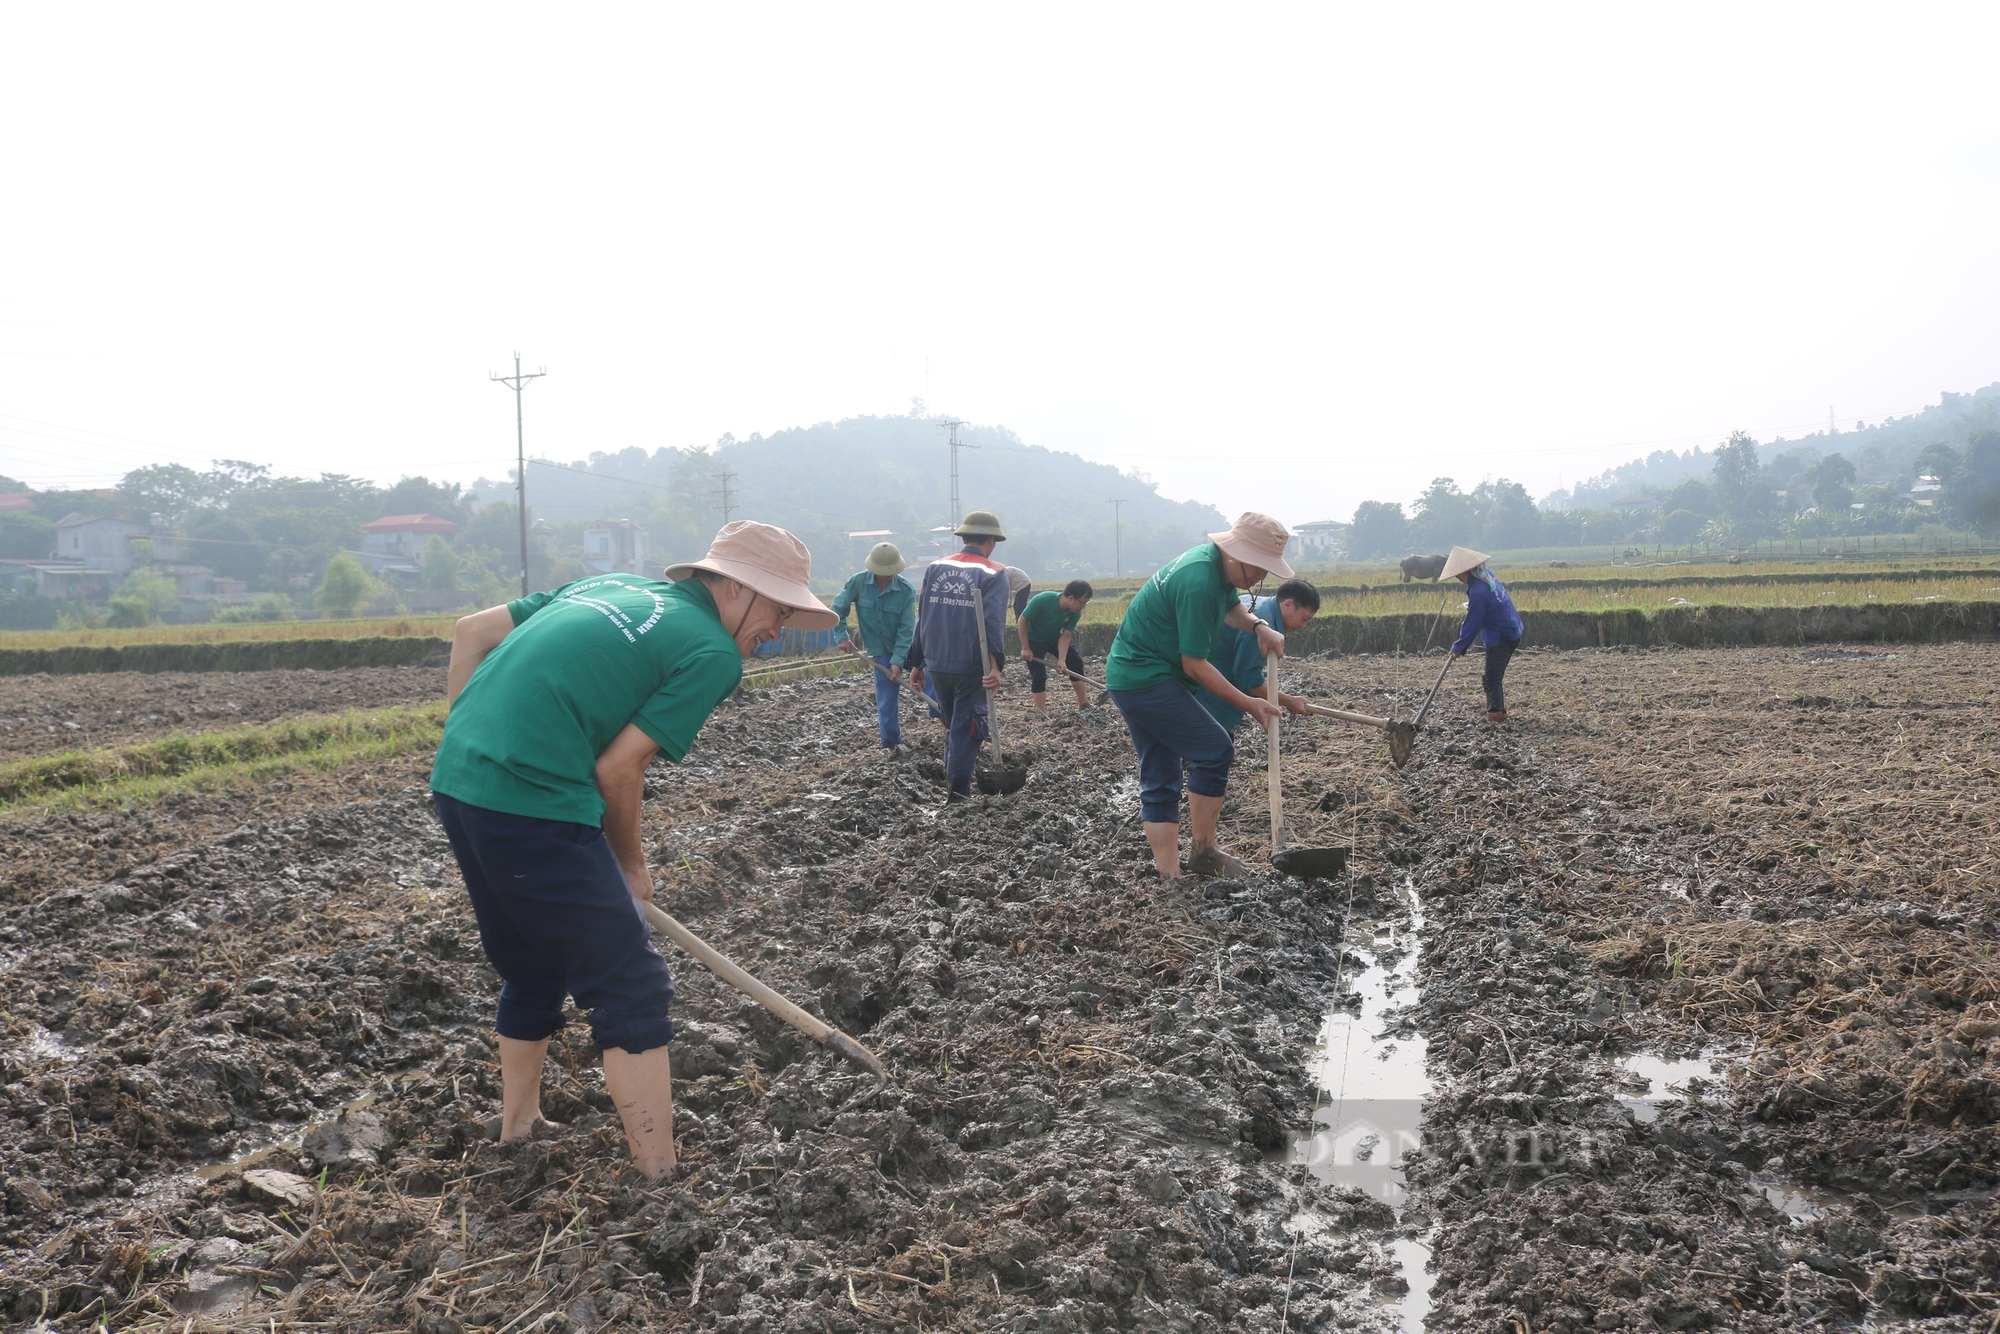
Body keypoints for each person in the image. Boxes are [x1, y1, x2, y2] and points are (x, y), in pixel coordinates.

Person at [428, 521, 835, 1180]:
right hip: (534, 799)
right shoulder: (712, 652)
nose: (779, 628)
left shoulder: (609, 585)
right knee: (632, 984)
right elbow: (619, 767)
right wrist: (629, 865)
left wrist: (478, 744)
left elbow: (470, 631)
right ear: (733, 587)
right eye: (778, 608)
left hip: (459, 782)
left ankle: (519, 1126)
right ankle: (661, 1176)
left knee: (533, 967)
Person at [1104, 512, 1292, 879]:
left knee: (1161, 771)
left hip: (1134, 676)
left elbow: (1229, 607)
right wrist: (1246, 701)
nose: (1260, 576)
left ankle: (1170, 875)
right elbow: (1195, 665)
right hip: (1147, 679)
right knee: (1215, 749)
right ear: (1235, 553)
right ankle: (1204, 851)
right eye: (1257, 566)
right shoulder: (1199, 581)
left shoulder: (1212, 565)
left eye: (1266, 570)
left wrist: (1258, 625)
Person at [916, 510, 1010, 802]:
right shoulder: (994, 573)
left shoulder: (935, 567)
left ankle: (952, 787)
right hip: (971, 666)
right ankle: (957, 799)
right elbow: (993, 622)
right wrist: (995, 667)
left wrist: (917, 662)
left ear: (964, 537)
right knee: (967, 732)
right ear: (991, 541)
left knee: (950, 724)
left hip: (937, 662)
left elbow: (922, 615)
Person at [1194, 579, 1320, 732]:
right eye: (1304, 618)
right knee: (1215, 750)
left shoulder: (1259, 604)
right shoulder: (1264, 627)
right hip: (1210, 698)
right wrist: (1288, 700)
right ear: (1288, 605)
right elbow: (1248, 679)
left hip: (1198, 687)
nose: (1303, 626)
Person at [830, 542, 918, 753]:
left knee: (934, 679)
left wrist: (897, 660)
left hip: (908, 646)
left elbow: (906, 630)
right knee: (886, 698)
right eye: (881, 573)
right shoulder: (857, 583)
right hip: (880, 650)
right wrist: (841, 635)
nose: (886, 577)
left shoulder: (906, 590)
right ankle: (892, 744)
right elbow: (837, 609)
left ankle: (947, 725)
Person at [1443, 545, 1524, 723]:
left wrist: (1458, 647)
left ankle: (1496, 717)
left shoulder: (1478, 591)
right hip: (1511, 628)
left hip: (1500, 634)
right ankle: (1499, 713)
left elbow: (1473, 622)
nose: (1457, 578)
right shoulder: (1486, 576)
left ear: (1467, 570)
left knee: (1491, 678)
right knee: (1494, 676)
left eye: (1458, 574)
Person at [1019, 579, 1094, 712]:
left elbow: (1065, 636)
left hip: (1054, 638)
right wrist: (1026, 648)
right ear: (1071, 598)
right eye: (1082, 603)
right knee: (1039, 676)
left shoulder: (1074, 613)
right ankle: (1041, 713)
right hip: (1034, 640)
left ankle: (1083, 704)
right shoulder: (1042, 600)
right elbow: (1022, 621)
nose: (1083, 607)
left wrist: (1062, 660)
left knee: (1075, 662)